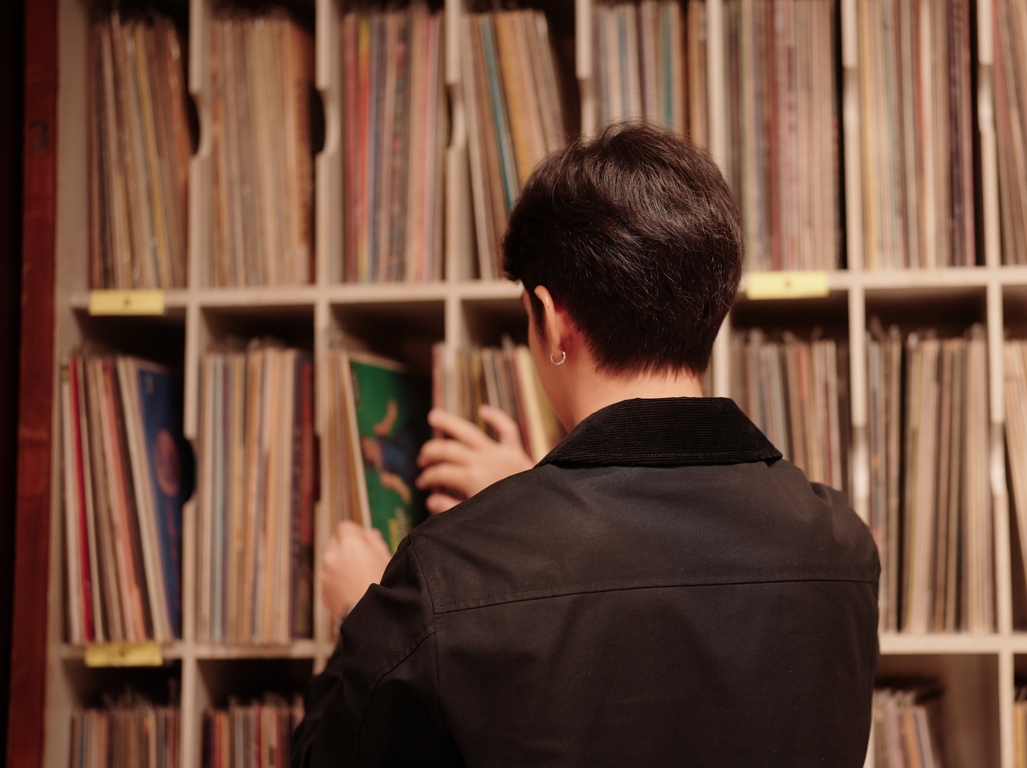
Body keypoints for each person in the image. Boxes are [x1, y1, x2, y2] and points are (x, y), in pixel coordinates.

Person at [292, 123, 880, 767]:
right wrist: (532, 500)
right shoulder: (842, 546)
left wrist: (365, 618)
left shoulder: (445, 575)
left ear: (549, 317)